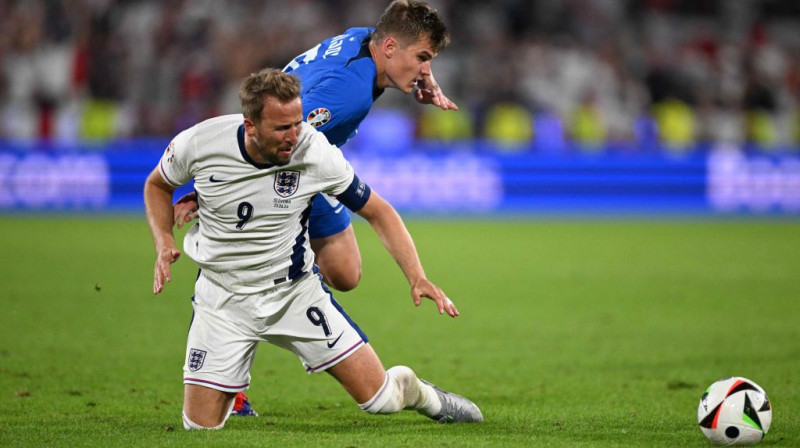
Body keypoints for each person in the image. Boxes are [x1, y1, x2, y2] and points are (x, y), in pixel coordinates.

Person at [143, 68, 482, 430]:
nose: (293, 136)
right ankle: (230, 384)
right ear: (251, 125)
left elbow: (378, 211)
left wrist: (418, 277)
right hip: (222, 299)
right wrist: (164, 241)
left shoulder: (314, 150)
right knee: (200, 428)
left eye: (296, 123)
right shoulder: (200, 143)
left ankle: (422, 393)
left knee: (380, 399)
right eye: (281, 128)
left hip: (293, 294)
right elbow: (157, 185)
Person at [173, 0, 456, 416]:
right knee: (254, 264)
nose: (424, 68)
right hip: (287, 167)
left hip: (309, 165)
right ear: (391, 46)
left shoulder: (367, 38)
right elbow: (278, 136)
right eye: (423, 58)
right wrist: (209, 187)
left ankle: (280, 294)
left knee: (345, 272)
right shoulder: (346, 95)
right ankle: (247, 335)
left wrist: (422, 80)